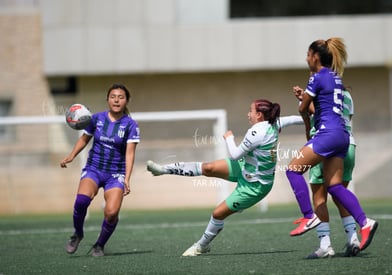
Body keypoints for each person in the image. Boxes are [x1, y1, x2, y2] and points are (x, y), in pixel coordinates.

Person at [147, 99, 281, 256]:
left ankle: (201, 246)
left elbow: (235, 154)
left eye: (250, 111)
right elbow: (293, 119)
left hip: (255, 186)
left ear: (259, 115)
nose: (248, 114)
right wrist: (311, 115)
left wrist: (229, 138)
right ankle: (162, 170)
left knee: (218, 214)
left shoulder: (258, 131)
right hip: (245, 167)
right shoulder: (273, 124)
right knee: (208, 167)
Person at [285, 37, 378, 253]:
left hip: (326, 134)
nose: (306, 59)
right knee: (335, 186)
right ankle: (365, 222)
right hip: (343, 136)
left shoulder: (316, 77)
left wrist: (307, 121)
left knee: (292, 170)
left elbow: (303, 109)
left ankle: (309, 217)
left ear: (316, 57)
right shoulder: (336, 78)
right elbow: (323, 105)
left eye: (308, 55)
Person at [60, 83, 140, 257]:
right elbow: (84, 139)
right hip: (94, 169)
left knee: (111, 213)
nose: (116, 100)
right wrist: (71, 155)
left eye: (121, 97)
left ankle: (100, 245)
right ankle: (78, 234)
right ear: (107, 99)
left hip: (115, 174)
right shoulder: (96, 118)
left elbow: (130, 154)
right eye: (113, 96)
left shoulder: (131, 125)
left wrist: (126, 179)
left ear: (126, 101)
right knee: (81, 201)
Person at [292, 86, 360, 258]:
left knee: (319, 197)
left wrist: (305, 103)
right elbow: (344, 119)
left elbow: (322, 115)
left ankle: (325, 245)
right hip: (348, 144)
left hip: (324, 144)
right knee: (340, 195)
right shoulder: (347, 95)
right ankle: (353, 239)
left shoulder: (321, 92)